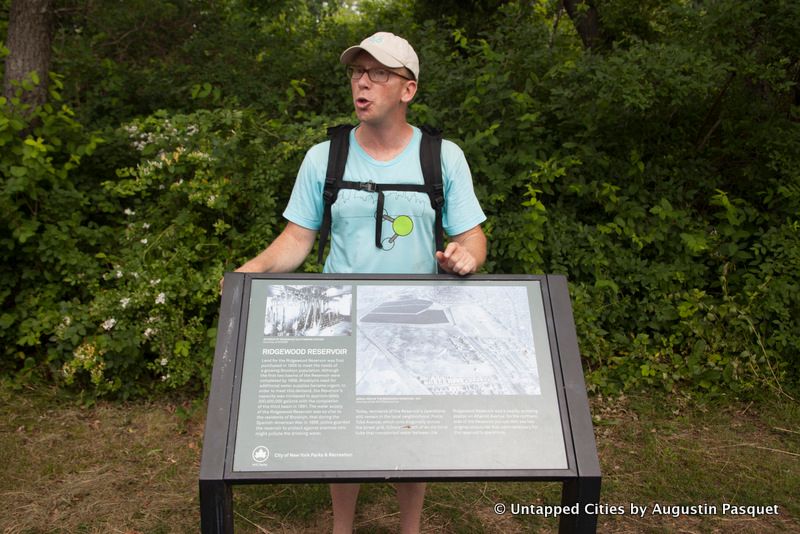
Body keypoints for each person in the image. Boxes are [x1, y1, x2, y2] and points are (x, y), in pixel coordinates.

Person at [234, 31, 487, 534]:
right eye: (356, 72)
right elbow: (297, 239)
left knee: (410, 427)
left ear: (407, 89)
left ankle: (409, 527)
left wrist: (466, 257)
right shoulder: (323, 157)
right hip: (340, 317)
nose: (362, 83)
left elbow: (473, 237)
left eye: (378, 74)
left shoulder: (443, 157)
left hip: (414, 318)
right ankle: (341, 527)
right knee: (341, 429)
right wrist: (254, 270)